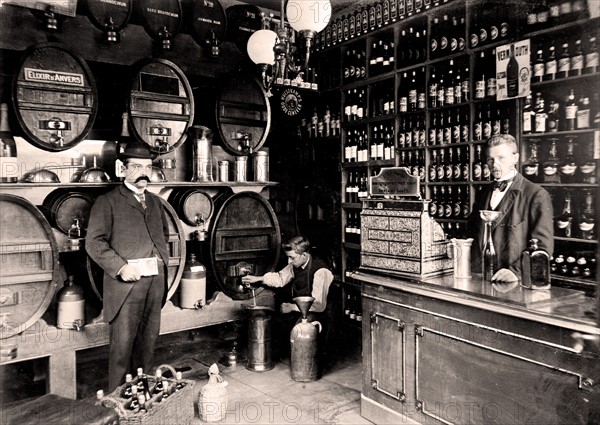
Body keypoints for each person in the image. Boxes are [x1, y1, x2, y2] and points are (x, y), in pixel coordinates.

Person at [86, 142, 170, 391]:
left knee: (147, 343)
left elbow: (162, 234)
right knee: (122, 348)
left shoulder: (155, 202)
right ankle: (116, 404)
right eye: (136, 166)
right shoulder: (107, 201)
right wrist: (121, 268)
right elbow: (94, 243)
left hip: (155, 283)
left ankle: (141, 397)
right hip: (126, 286)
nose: (144, 172)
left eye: (148, 167)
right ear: (122, 169)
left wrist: (161, 261)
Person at [466, 134, 554, 282]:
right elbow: (471, 233)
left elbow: (543, 248)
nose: (494, 164)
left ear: (515, 158)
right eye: (490, 159)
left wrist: (516, 272)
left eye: (501, 158)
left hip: (515, 282)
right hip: (481, 278)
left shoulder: (536, 194)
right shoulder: (483, 193)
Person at [241, 236, 334, 352]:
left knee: (299, 333)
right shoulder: (296, 263)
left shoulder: (321, 271)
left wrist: (292, 307)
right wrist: (258, 279)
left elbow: (319, 305)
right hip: (303, 308)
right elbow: (280, 278)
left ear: (304, 255)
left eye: (292, 258)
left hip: (320, 313)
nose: (289, 261)